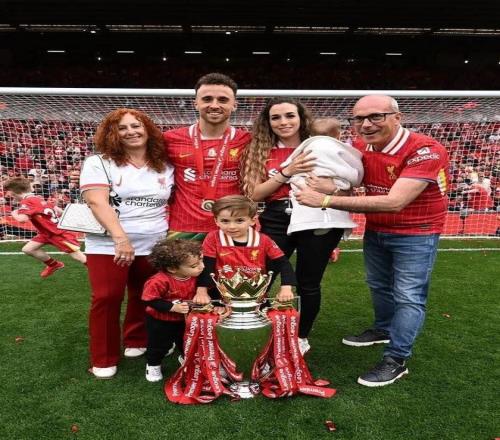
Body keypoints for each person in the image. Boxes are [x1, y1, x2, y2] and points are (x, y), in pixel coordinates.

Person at [294, 94, 450, 387]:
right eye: (359, 118)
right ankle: (383, 329)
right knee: (378, 285)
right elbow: (351, 186)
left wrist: (325, 199)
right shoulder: (361, 148)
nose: (366, 124)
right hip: (377, 229)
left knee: (408, 295)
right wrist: (332, 187)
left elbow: (395, 201)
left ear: (397, 117)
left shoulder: (426, 150)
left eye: (376, 116)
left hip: (417, 232)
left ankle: (396, 359)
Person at [240, 98, 346, 355]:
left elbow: (349, 180)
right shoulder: (260, 149)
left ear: (301, 118)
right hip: (276, 217)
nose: (283, 122)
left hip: (317, 214)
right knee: (262, 277)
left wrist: (333, 187)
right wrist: (287, 172)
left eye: (289, 115)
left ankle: (301, 336)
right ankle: (255, 328)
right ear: (268, 123)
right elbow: (254, 194)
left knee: (308, 282)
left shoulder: (320, 144)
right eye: (275, 117)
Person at [80, 108, 174, 379]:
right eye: (122, 128)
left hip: (155, 241)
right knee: (106, 297)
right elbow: (96, 201)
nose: (131, 131)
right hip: (108, 243)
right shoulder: (99, 162)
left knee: (144, 292)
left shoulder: (165, 164)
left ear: (148, 129)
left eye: (136, 125)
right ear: (112, 134)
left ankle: (136, 339)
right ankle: (104, 356)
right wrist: (121, 238)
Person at [196, 195, 296, 304]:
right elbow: (206, 265)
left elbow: (283, 263)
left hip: (256, 294)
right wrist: (202, 291)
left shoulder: (264, 240)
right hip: (220, 294)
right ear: (216, 221)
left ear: (253, 220)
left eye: (239, 220)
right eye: (225, 221)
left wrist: (286, 287)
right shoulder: (213, 238)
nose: (232, 226)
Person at [141, 239, 204, 382]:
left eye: (201, 261)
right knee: (158, 345)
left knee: (186, 341)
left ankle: (186, 359)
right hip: (160, 321)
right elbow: (149, 299)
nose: (202, 267)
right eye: (194, 265)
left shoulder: (196, 276)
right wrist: (172, 307)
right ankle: (153, 365)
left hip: (184, 320)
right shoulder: (158, 281)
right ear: (172, 268)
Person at [4, 176, 87, 276]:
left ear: (14, 192)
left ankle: (98, 271)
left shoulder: (27, 202)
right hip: (46, 233)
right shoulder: (38, 198)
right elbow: (58, 210)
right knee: (28, 249)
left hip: (58, 234)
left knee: (78, 256)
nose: (9, 195)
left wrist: (14, 213)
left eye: (9, 192)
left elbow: (22, 219)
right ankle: (54, 265)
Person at [310, 118, 344, 263]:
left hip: (322, 190)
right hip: (328, 190)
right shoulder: (342, 150)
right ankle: (331, 247)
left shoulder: (308, 149)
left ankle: (331, 248)